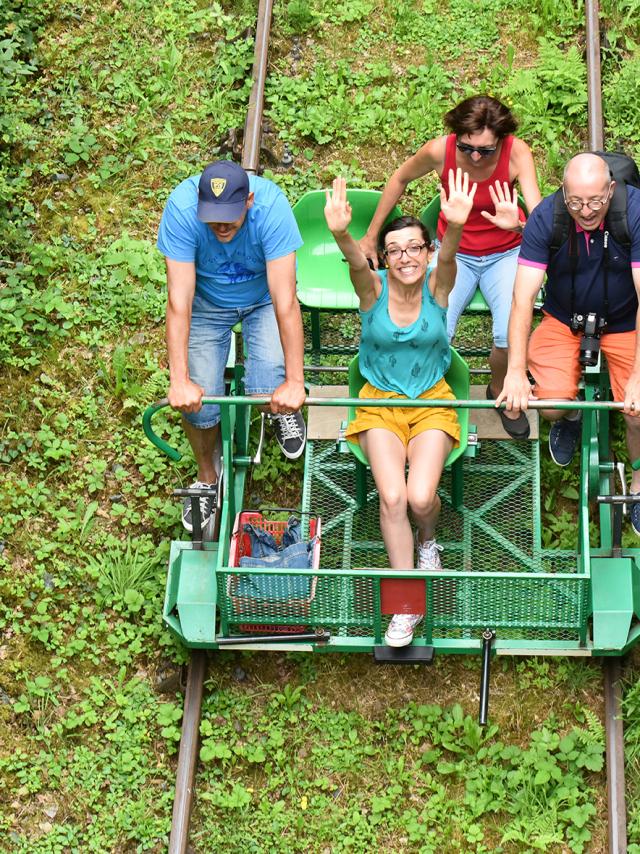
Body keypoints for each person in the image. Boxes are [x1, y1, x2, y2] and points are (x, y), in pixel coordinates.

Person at [324, 169, 476, 647]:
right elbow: (354, 266)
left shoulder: (437, 288)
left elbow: (450, 257)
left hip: (431, 402)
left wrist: (453, 227)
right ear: (384, 258)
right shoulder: (374, 293)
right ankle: (407, 607)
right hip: (379, 405)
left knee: (419, 498)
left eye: (415, 247)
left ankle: (428, 540)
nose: (406, 256)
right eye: (396, 249)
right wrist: (342, 234)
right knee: (392, 498)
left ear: (426, 253)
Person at [359, 95, 541, 439]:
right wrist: (372, 235)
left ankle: (499, 389)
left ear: (500, 141)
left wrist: (517, 225)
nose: (474, 157)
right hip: (453, 253)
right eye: (466, 147)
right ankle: (432, 399)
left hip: (504, 253)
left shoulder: (518, 153)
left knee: (507, 335)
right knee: (435, 326)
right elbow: (399, 179)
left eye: (485, 151)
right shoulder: (439, 151)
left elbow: (540, 220)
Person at [157, 160, 307, 531]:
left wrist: (294, 380)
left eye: (230, 217)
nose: (221, 226)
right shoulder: (181, 209)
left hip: (263, 300)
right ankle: (208, 479)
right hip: (208, 303)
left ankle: (280, 409)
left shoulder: (272, 208)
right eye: (213, 217)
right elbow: (179, 300)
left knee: (267, 386)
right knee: (200, 408)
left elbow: (285, 300)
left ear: (250, 201)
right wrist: (179, 378)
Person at [497, 152, 640, 534]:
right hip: (565, 318)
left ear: (611, 189)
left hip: (627, 321)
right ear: (563, 192)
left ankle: (639, 480)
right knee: (549, 406)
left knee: (637, 411)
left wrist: (639, 376)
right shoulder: (548, 216)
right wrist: (514, 372)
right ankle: (572, 412)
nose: (586, 211)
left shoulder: (635, 214)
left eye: (595, 201)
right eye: (576, 202)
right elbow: (522, 297)